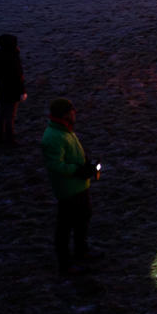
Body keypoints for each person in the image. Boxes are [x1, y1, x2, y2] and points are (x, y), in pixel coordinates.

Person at [42, 98, 99, 275]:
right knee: (65, 227)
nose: (75, 113)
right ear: (66, 114)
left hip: (79, 186)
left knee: (83, 218)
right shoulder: (53, 136)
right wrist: (78, 171)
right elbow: (55, 165)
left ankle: (81, 251)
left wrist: (86, 165)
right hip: (68, 190)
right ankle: (65, 264)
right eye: (72, 111)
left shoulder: (64, 130)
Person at [0, 33, 26, 146]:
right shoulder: (13, 57)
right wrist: (22, 91)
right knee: (10, 115)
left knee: (2, 113)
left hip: (2, 89)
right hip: (12, 90)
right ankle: (10, 139)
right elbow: (18, 76)